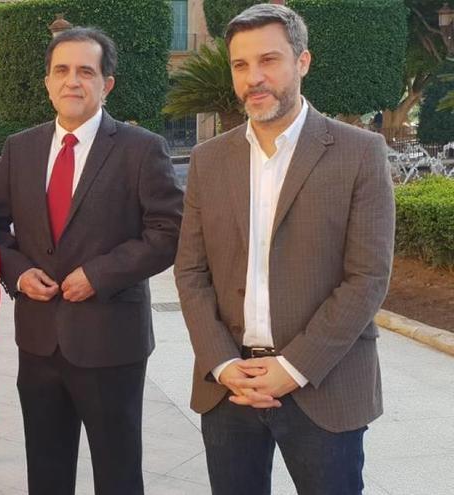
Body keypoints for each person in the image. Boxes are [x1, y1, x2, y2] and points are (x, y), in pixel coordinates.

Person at [174, 4, 395, 495]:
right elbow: (190, 271)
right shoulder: (209, 160)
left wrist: (291, 369)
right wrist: (224, 364)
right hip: (227, 389)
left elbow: (368, 278)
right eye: (240, 65)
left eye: (269, 60)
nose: (254, 77)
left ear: (303, 61)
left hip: (325, 386)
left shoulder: (359, 152)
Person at [0, 27, 183, 495]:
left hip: (111, 344)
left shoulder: (140, 149)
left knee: (117, 475)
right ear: (48, 81)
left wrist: (99, 274)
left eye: (86, 72)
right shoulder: (21, 148)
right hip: (38, 343)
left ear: (106, 84)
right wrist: (16, 271)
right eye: (62, 71)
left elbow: (168, 232)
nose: (73, 81)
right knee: (47, 475)